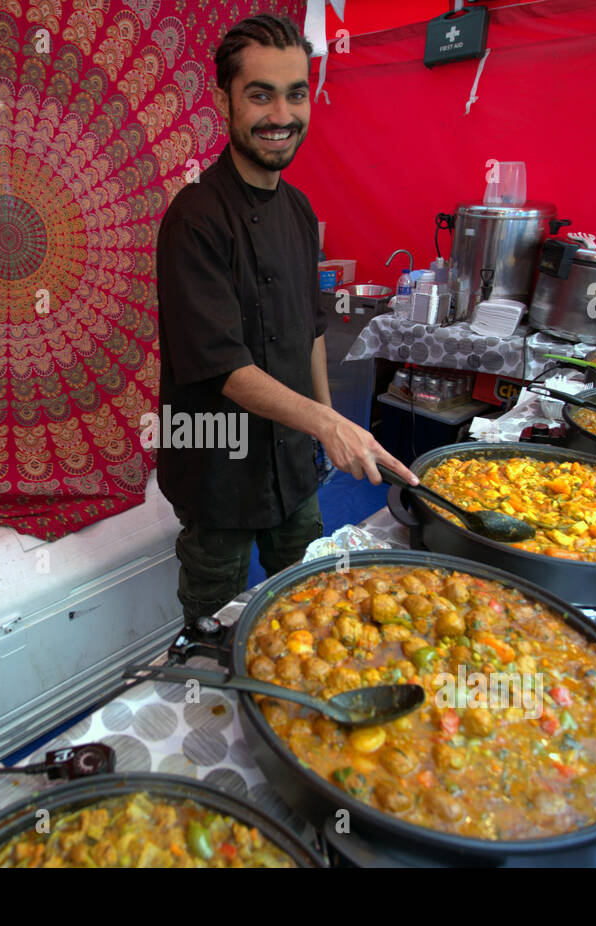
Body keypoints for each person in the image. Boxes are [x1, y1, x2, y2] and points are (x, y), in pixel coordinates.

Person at [155, 13, 418, 626]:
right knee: (211, 621)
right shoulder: (195, 219)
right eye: (260, 94)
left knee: (309, 604)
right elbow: (224, 367)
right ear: (224, 100)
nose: (282, 114)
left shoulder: (299, 209)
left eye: (296, 93)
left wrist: (319, 439)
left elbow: (312, 333)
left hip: (293, 464)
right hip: (218, 466)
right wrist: (328, 422)